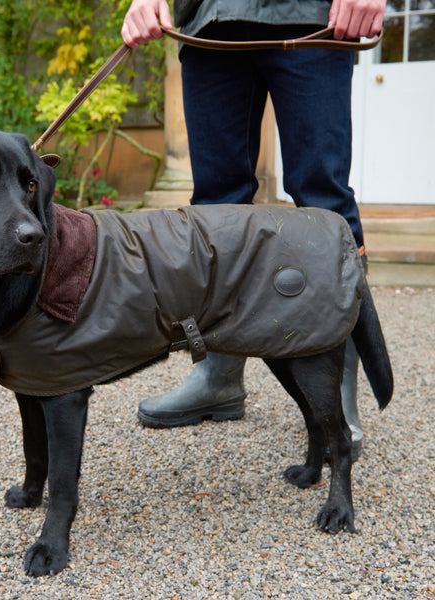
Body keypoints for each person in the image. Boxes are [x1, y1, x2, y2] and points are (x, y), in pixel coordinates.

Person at [121, 0, 386, 460]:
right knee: (214, 211)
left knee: (324, 205)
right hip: (211, 23)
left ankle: (335, 385)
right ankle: (219, 377)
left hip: (311, 19)